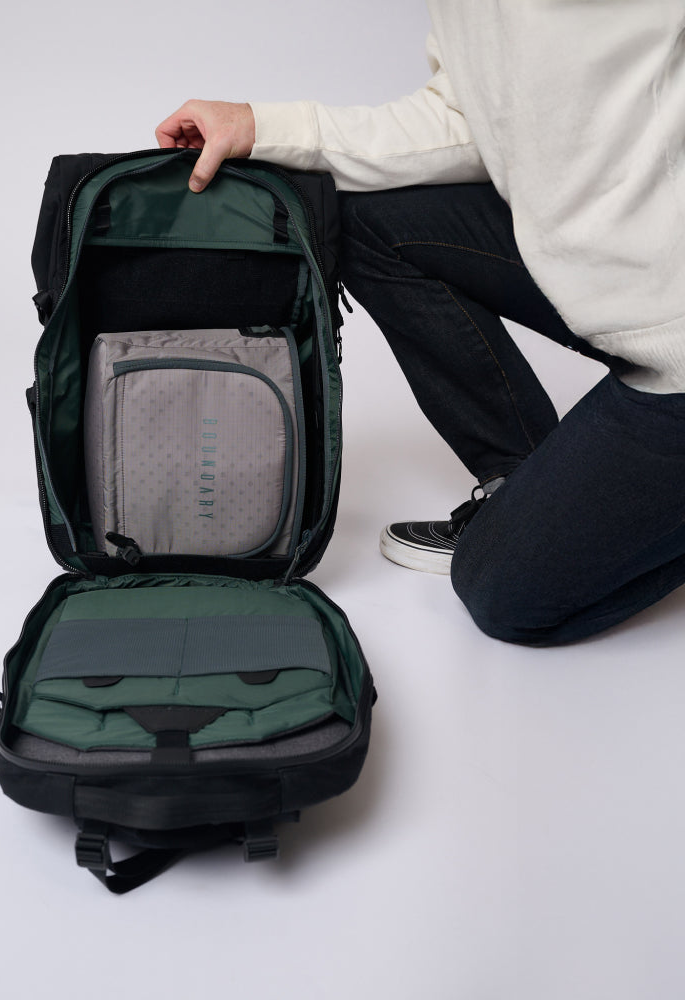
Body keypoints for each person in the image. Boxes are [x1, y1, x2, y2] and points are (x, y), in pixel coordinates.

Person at [155, 2, 685, 646]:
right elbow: (465, 120)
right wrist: (260, 126)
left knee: (502, 590)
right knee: (362, 219)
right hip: (619, 275)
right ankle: (519, 480)